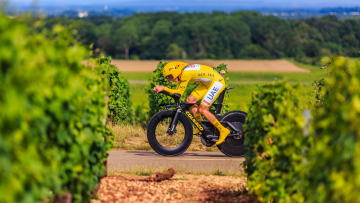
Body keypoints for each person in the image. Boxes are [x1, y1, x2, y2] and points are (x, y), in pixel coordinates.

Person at [153, 61, 230, 145]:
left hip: (217, 82)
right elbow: (176, 93)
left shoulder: (186, 74)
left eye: (170, 76)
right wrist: (163, 89)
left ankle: (223, 130)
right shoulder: (181, 74)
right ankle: (201, 127)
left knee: (203, 109)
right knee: (190, 101)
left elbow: (179, 93)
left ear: (176, 72)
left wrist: (164, 88)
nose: (170, 79)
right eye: (167, 78)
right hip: (208, 82)